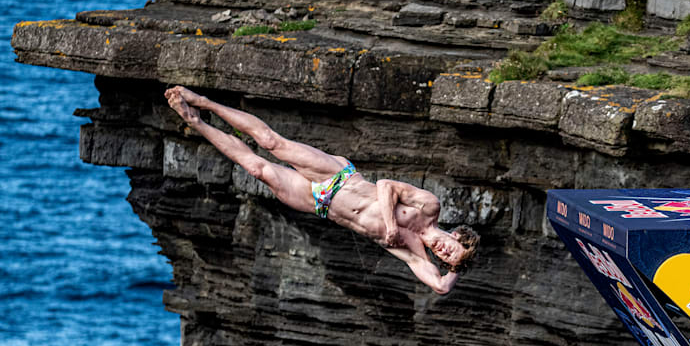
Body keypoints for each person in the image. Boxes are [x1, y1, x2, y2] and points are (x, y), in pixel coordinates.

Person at [164, 86, 479, 294]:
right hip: (339, 177)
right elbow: (386, 186)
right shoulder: (430, 207)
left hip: (321, 204)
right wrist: (393, 225)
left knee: (256, 169)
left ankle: (197, 122)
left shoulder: (416, 255)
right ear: (456, 235)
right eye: (453, 248)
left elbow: (440, 287)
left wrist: (458, 267)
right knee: (271, 143)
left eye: (448, 259)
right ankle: (204, 102)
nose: (445, 252)